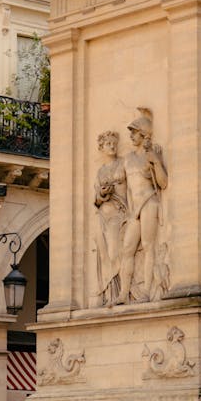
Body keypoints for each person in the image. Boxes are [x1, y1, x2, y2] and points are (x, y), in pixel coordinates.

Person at [116, 108, 168, 304]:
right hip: (134, 209)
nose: (130, 135)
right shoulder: (128, 159)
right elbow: (124, 187)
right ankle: (124, 293)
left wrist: (156, 161)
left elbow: (162, 183)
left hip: (149, 202)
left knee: (148, 246)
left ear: (144, 134)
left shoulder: (152, 155)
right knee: (127, 250)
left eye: (134, 132)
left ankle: (147, 290)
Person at [93, 130, 127, 306]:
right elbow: (96, 199)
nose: (112, 146)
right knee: (104, 254)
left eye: (114, 143)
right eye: (108, 144)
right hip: (103, 217)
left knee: (115, 252)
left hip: (118, 215)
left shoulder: (123, 164)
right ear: (101, 147)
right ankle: (109, 293)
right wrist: (102, 193)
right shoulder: (100, 171)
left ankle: (121, 292)